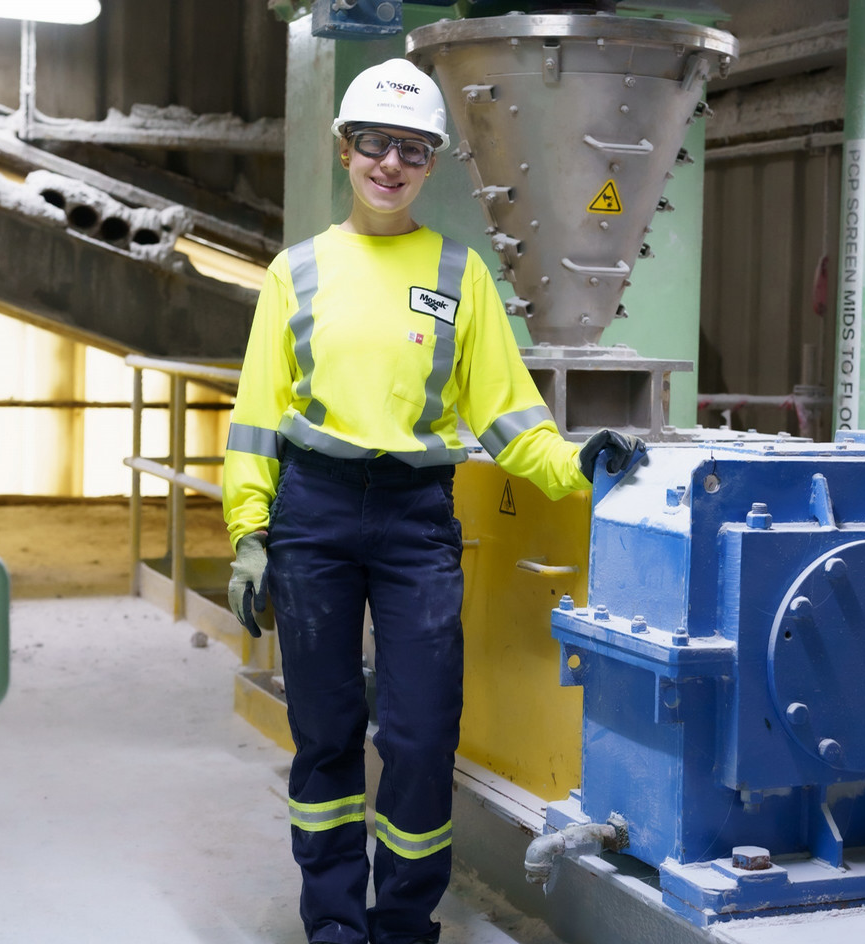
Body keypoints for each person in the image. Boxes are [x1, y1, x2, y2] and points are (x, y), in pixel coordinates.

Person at [222, 57, 643, 944]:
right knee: (327, 732)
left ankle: (403, 927)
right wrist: (250, 533)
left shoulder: (462, 276)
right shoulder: (295, 273)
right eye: (374, 142)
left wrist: (578, 464)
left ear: (433, 164)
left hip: (416, 519)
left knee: (417, 739)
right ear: (345, 149)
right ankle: (335, 922)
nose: (390, 163)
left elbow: (508, 418)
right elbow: (258, 418)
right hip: (316, 514)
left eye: (412, 148)